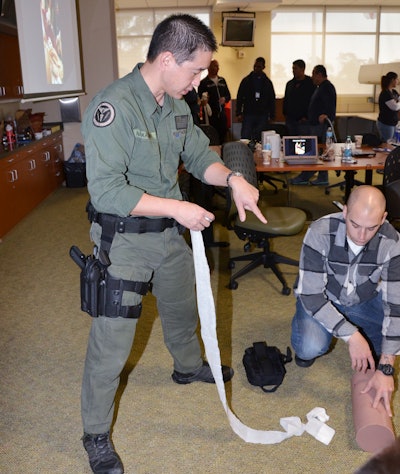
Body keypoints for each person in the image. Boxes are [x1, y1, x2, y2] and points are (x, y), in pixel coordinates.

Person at [79, 14, 267, 474]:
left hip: (167, 234)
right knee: (112, 342)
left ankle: (187, 366)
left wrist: (234, 180)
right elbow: (106, 191)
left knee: (184, 308)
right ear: (166, 59)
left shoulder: (176, 104)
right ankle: (95, 433)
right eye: (195, 70)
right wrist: (177, 208)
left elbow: (200, 157)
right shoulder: (115, 106)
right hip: (123, 238)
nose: (200, 80)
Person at [291, 185, 400, 420]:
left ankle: (354, 331)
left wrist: (386, 368)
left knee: (388, 343)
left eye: (371, 227)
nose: (361, 236)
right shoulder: (320, 231)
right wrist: (353, 336)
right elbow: (311, 295)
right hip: (321, 298)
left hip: (362, 300)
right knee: (310, 347)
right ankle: (331, 329)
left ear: (383, 218)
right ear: (344, 211)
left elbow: (396, 306)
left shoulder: (392, 241)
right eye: (355, 224)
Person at [290, 64, 336, 186]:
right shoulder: (321, 87)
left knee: (314, 152)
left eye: (314, 74)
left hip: (321, 126)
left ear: (319, 75)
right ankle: (322, 177)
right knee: (319, 152)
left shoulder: (327, 87)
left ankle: (305, 176)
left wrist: (326, 115)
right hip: (315, 124)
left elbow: (330, 107)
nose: (312, 77)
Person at [236, 57, 276, 142]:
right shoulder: (246, 80)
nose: (256, 68)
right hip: (248, 113)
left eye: (259, 66)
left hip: (262, 114)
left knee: (260, 138)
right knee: (245, 137)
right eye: (255, 66)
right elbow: (240, 97)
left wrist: (272, 115)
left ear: (263, 67)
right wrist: (238, 112)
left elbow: (271, 99)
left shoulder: (267, 82)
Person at [198, 59, 231, 143]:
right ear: (209, 68)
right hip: (211, 115)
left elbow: (228, 95)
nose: (217, 68)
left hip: (222, 113)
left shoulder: (222, 81)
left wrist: (225, 99)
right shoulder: (204, 83)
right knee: (213, 136)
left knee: (223, 135)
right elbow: (200, 99)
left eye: (217, 66)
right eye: (214, 66)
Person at [283, 59, 316, 135]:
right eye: (293, 68)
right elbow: (286, 100)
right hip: (291, 120)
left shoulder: (310, 83)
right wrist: (285, 113)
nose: (293, 71)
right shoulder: (290, 84)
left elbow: (313, 102)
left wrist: (307, 116)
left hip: (304, 121)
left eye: (295, 68)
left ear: (302, 69)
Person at [376, 72, 400, 143]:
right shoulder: (385, 93)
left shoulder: (394, 92)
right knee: (387, 144)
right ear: (393, 80)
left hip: (393, 123)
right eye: (397, 79)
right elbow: (395, 107)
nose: (398, 81)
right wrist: (398, 103)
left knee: (392, 144)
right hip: (386, 123)